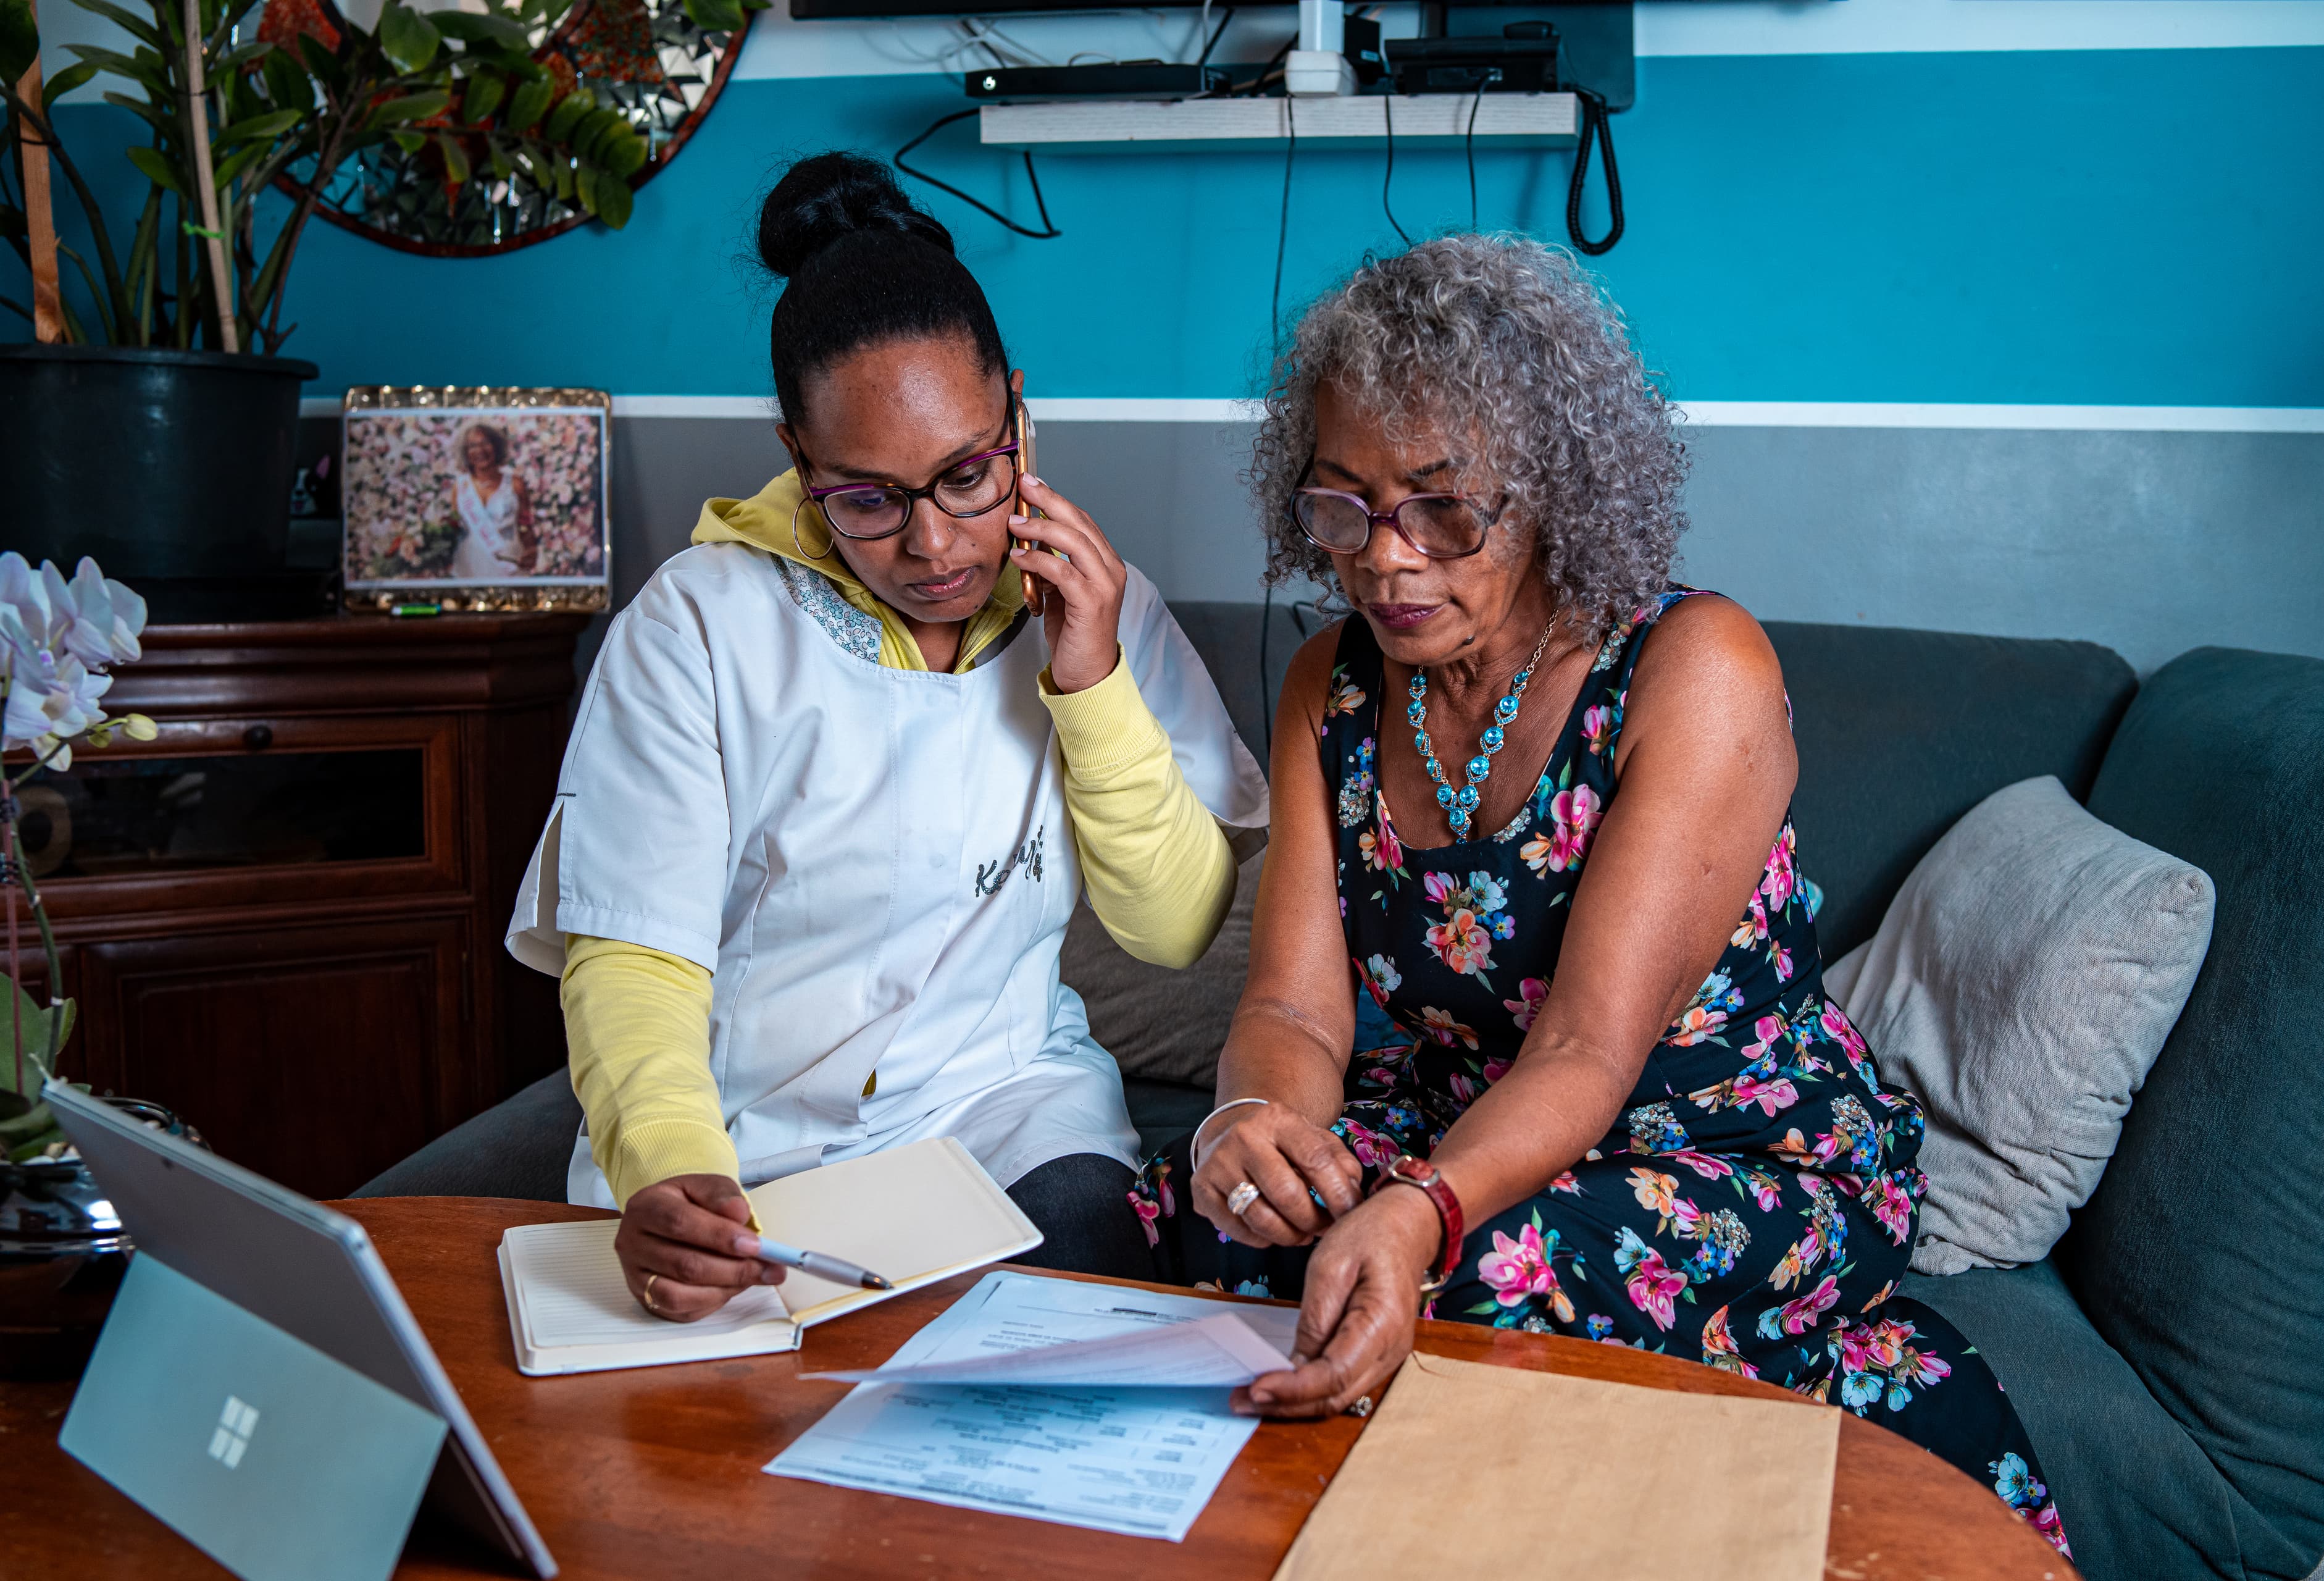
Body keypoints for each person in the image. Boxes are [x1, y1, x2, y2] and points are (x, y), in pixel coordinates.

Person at [1128, 235, 2068, 1555]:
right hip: (1473, 1120)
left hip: (1718, 1141)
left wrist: (1424, 1208)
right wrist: (1253, 1122)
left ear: (1553, 492)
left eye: (1443, 509)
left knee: (1477, 1280)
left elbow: (1588, 1049)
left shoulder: (1692, 666)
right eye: (1344, 506)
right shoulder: (1331, 686)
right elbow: (1292, 1000)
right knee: (1213, 1219)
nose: (1386, 560)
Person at [507, 153, 1266, 1322]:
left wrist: (1095, 686)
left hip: (1005, 1112)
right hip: (746, 1135)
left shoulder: (1101, 608)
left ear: (1018, 410)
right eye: (866, 499)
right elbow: (635, 951)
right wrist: (668, 1161)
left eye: (969, 473)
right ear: (798, 461)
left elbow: (1172, 932)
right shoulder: (695, 626)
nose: (935, 546)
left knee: (1084, 1306)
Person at [451, 422, 535, 578]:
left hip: (509, 562)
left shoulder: (515, 483)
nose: (480, 451)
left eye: (486, 443)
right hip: (470, 565)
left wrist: (531, 549)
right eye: (473, 446)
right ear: (466, 452)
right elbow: (455, 529)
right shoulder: (460, 486)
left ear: (496, 446)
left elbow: (525, 524)